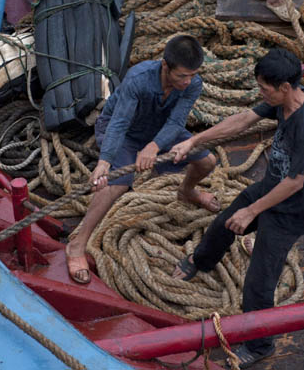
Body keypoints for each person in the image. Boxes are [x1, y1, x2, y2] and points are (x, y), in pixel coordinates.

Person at [170, 48, 304, 368]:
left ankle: (260, 345)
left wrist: (251, 211)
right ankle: (200, 260)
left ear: (285, 86)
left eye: (264, 88)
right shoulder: (282, 102)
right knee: (222, 224)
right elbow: (243, 120)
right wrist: (195, 141)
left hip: (293, 209)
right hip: (273, 187)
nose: (261, 93)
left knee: (259, 282)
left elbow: (295, 183)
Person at [65, 35, 219, 284]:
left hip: (159, 130)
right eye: (182, 76)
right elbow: (120, 122)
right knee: (116, 183)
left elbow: (177, 122)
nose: (188, 81)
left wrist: (154, 146)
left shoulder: (193, 84)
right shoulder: (138, 79)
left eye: (192, 75)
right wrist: (105, 162)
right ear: (165, 66)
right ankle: (77, 245)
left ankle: (187, 192)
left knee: (207, 162)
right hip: (124, 132)